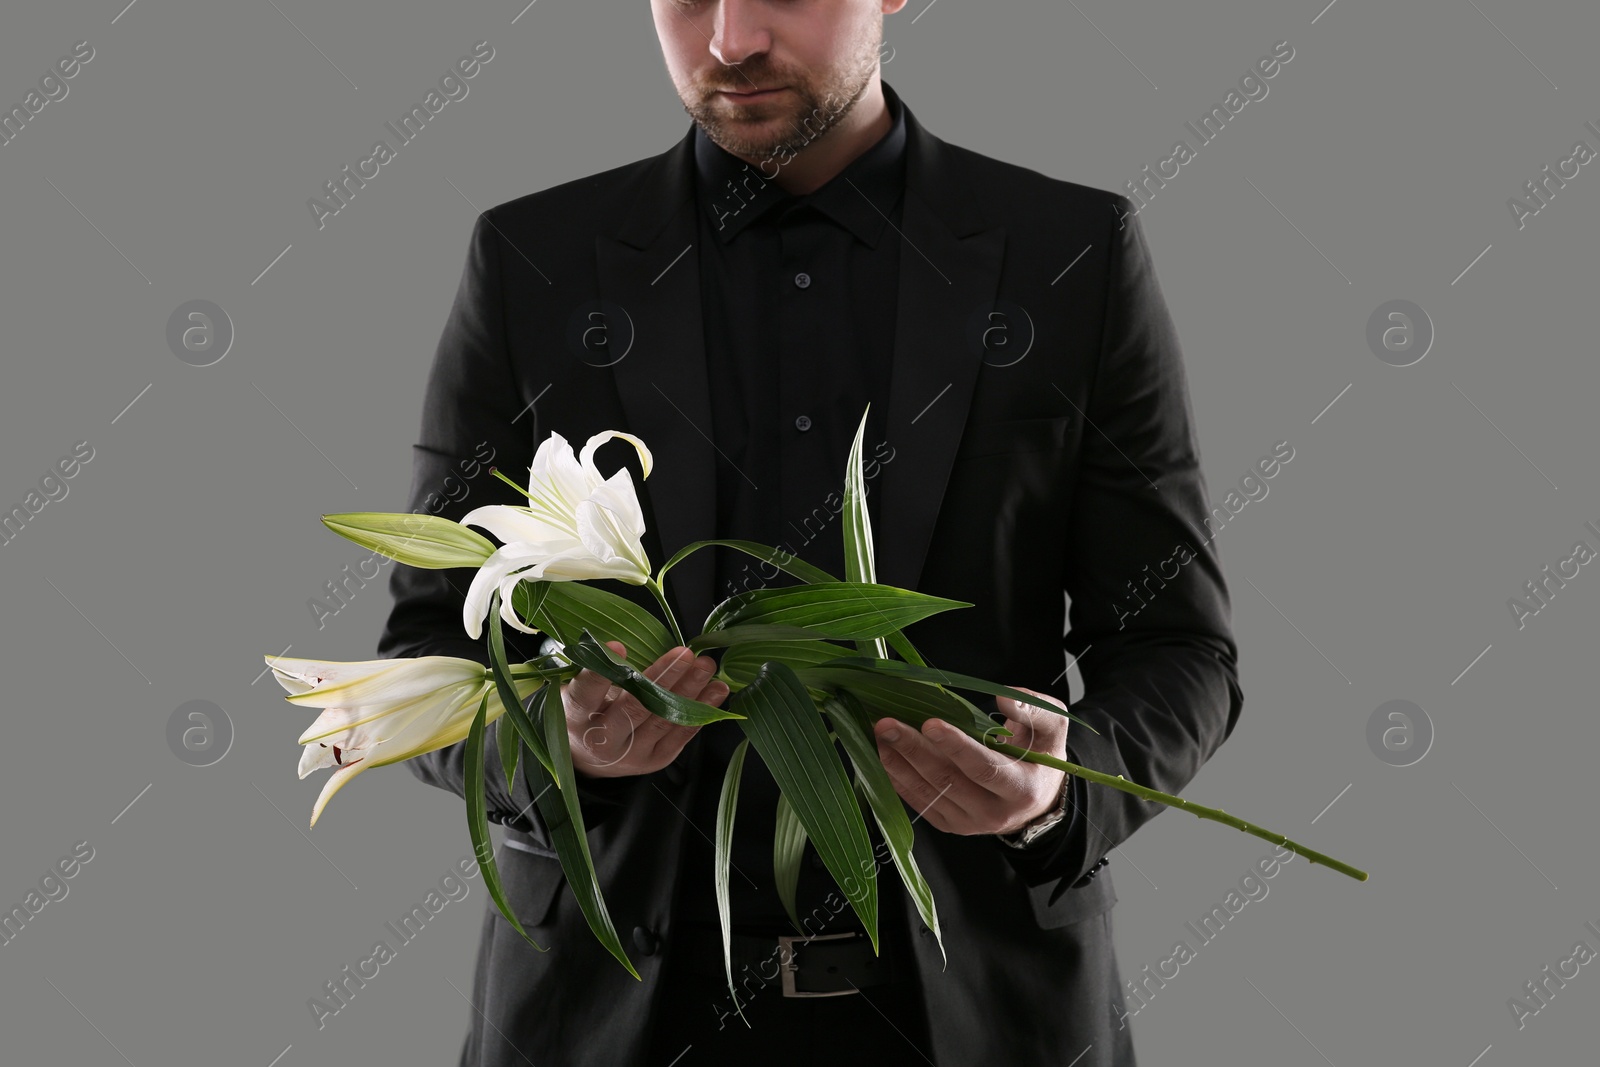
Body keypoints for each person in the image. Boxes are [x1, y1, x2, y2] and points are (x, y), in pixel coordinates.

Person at [377, 2, 1243, 1064]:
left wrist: (1064, 788)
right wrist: (554, 741)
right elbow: (428, 646)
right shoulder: (533, 259)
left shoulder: (1067, 253)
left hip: (976, 1013)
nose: (730, 39)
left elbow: (1179, 646)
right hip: (609, 1017)